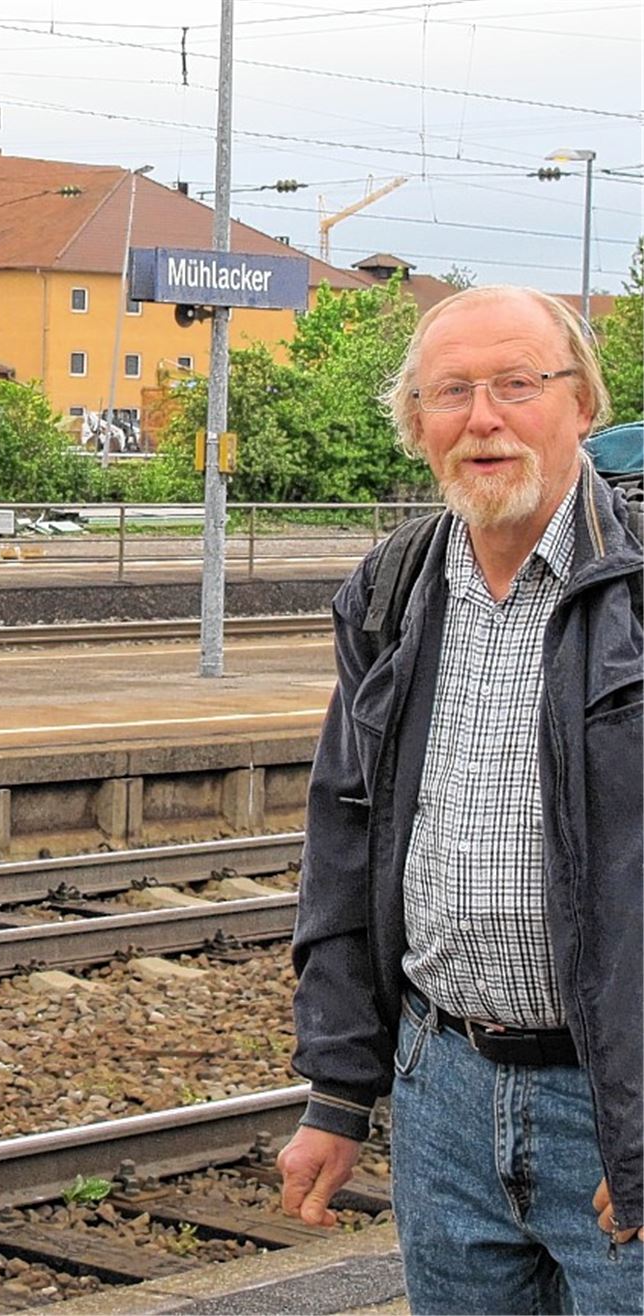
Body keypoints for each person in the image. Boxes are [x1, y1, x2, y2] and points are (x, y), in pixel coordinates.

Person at [277, 285, 642, 1314]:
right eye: (452, 392)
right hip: (446, 1094)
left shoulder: (637, 583)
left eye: (517, 385)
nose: (483, 417)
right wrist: (341, 1092)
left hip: (613, 1100)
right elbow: (343, 845)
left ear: (581, 406)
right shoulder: (391, 592)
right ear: (420, 426)